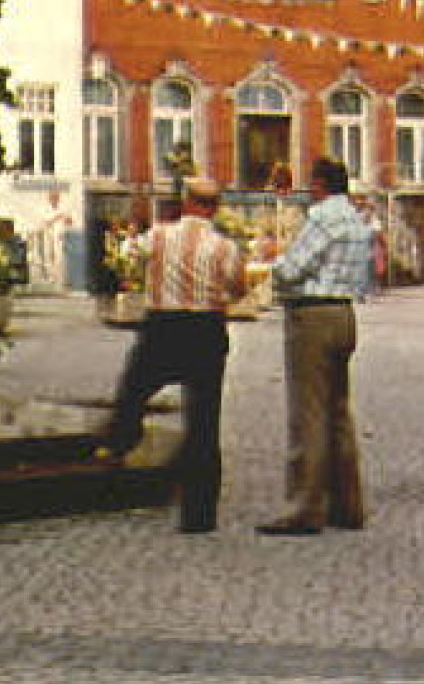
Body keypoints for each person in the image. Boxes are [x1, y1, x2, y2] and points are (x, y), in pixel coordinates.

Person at [96, 178, 246, 534]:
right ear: (214, 207)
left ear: (187, 202)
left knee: (134, 390)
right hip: (206, 330)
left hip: (163, 327)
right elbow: (238, 288)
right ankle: (199, 514)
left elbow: (127, 256)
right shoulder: (225, 247)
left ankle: (121, 440)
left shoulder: (160, 236)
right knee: (204, 422)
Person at [259, 157, 373, 537]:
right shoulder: (356, 220)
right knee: (338, 411)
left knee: (307, 412)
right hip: (344, 314)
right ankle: (348, 503)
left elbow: (293, 269)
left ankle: (304, 507)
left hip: (313, 316)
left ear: (321, 184)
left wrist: (269, 264)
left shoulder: (323, 217)